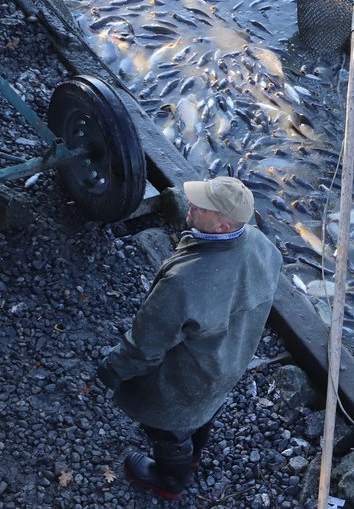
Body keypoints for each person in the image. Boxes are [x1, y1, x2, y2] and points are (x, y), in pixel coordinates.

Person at [96, 176, 283, 499]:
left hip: (187, 377)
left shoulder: (184, 283)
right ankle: (194, 455)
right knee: (203, 411)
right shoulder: (263, 246)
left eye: (203, 207)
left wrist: (111, 370)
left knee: (167, 428)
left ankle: (170, 479)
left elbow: (145, 346)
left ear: (223, 226)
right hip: (228, 364)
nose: (192, 205)